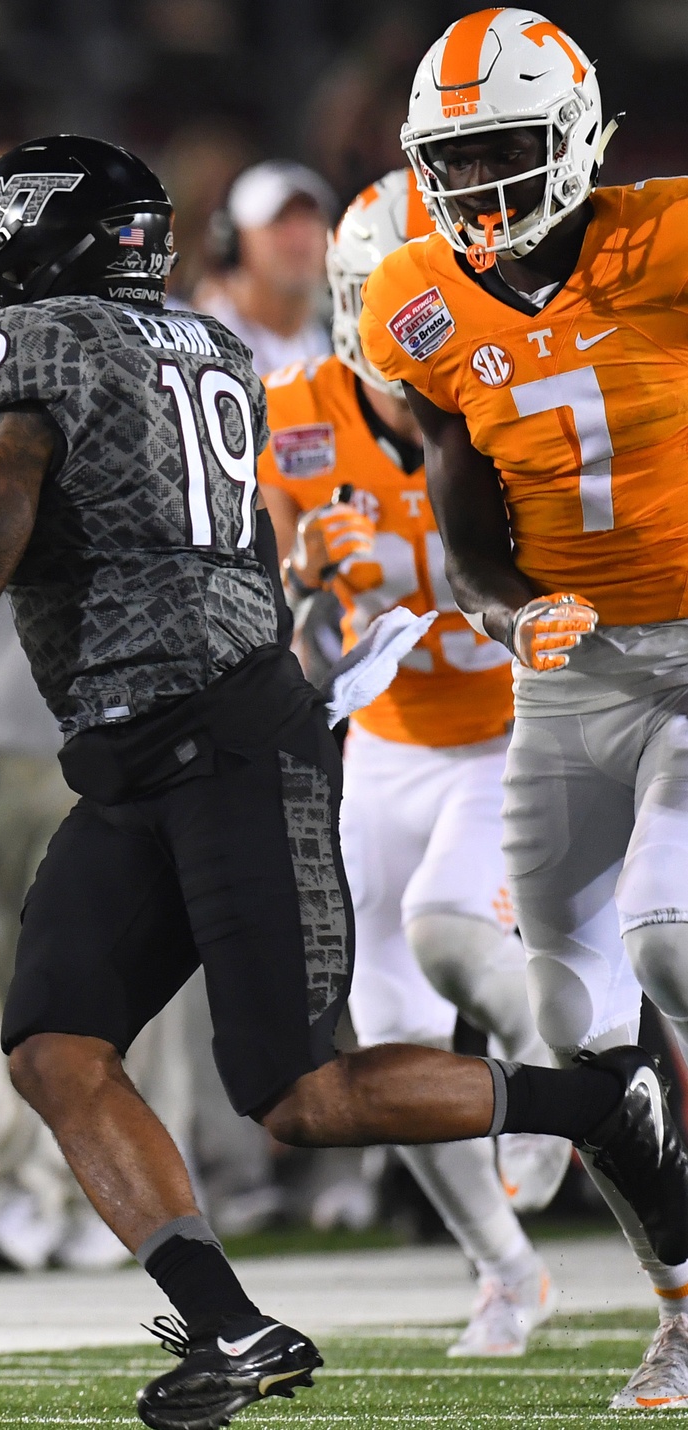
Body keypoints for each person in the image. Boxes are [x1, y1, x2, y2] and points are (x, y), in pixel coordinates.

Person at [0, 133, 688, 1430]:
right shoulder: (201, 339)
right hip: (139, 748)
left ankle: (600, 1104)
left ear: (40, 238)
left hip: (222, 741)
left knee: (300, 1094)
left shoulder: (31, 347)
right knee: (55, 1046)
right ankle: (228, 1326)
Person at [359, 8, 688, 1408]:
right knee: (568, 1009)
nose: (480, 191)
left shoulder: (666, 236)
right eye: (456, 160)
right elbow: (457, 497)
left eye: (504, 153)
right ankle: (681, 1303)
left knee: (670, 937)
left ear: (574, 137)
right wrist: (505, 609)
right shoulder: (414, 300)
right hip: (575, 662)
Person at [260, 169, 567, 1357]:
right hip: (385, 747)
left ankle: (545, 1071)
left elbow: (546, 579)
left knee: (449, 924)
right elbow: (289, 633)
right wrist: (309, 586)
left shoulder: (505, 403)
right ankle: (504, 1271)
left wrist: (409, 570)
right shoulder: (293, 410)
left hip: (508, 726)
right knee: (380, 1031)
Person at [196, 160, 337, 377]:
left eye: (310, 220)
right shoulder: (196, 342)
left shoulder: (340, 340)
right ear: (233, 242)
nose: (299, 238)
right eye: (280, 221)